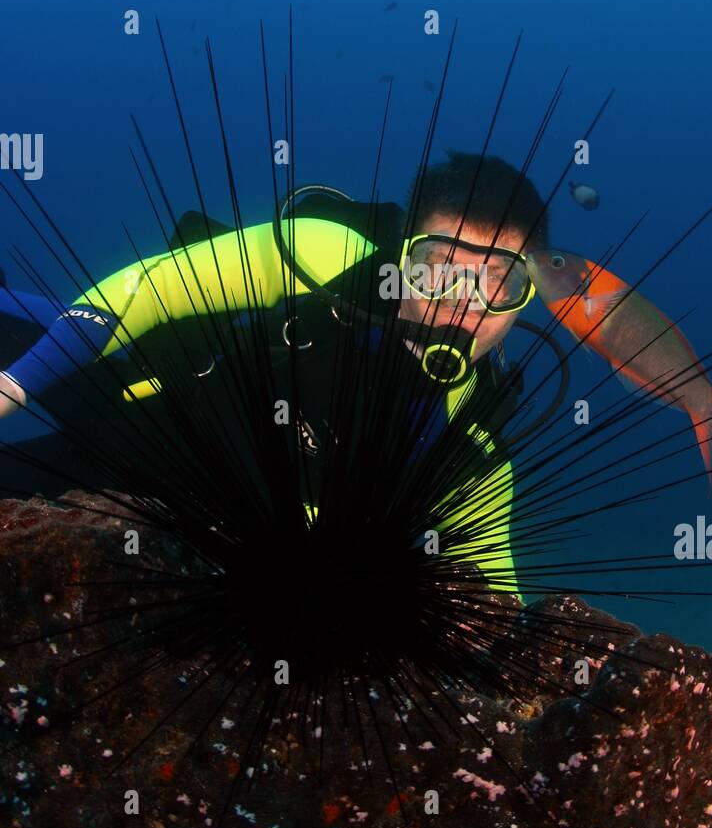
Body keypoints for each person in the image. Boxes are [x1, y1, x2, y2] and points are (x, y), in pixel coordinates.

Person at [0, 152, 549, 597]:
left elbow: (487, 575)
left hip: (192, 533)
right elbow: (148, 289)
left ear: (526, 299)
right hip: (137, 411)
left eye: (500, 281)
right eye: (440, 268)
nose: (464, 303)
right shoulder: (325, 257)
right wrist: (15, 385)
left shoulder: (471, 435)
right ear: (401, 257)